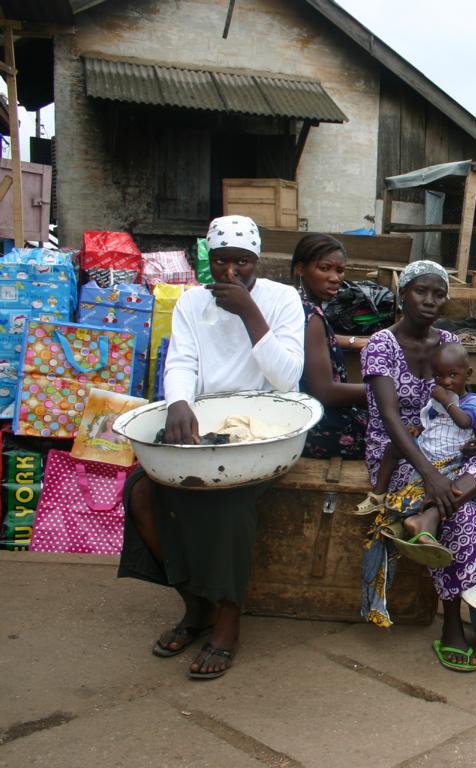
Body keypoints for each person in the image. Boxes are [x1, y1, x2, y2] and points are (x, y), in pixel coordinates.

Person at [118, 215, 305, 680]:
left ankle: (227, 617)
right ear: (210, 260)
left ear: (257, 260)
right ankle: (195, 601)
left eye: (243, 262)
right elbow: (182, 360)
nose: (231, 272)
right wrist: (179, 402)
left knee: (225, 502)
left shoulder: (282, 300)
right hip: (208, 422)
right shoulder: (191, 302)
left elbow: (287, 379)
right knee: (142, 492)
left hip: (264, 430)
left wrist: (250, 313)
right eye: (221, 261)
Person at [358, 260, 476, 673]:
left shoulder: (449, 340)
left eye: (438, 294)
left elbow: (464, 399)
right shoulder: (381, 345)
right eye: (421, 291)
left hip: (452, 446)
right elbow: (390, 418)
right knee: (463, 511)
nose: (430, 300)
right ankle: (453, 624)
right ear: (403, 294)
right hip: (401, 452)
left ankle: (431, 513)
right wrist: (432, 476)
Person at [355, 343, 476, 542]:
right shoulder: (437, 403)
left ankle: (413, 524)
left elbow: (464, 422)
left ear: (468, 374)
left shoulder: (472, 403)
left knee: (424, 491)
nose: (446, 382)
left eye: (453, 375)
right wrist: (418, 429)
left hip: (450, 458)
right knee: (394, 446)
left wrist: (446, 401)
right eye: (439, 377)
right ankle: (378, 495)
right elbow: (432, 422)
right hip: (427, 449)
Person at [292, 234, 368, 458]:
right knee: (401, 431)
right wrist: (387, 390)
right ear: (300, 268)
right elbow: (325, 391)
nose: (335, 278)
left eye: (340, 270)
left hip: (298, 414)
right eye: (324, 268)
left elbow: (317, 339)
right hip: (317, 424)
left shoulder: (294, 303)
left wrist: (354, 341)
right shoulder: (311, 316)